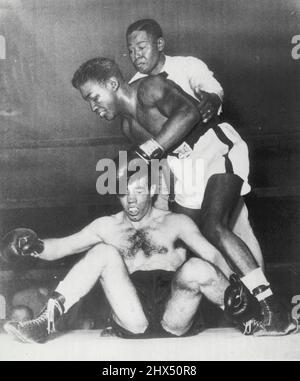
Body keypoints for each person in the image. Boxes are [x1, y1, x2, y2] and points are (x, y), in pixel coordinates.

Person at [2, 172, 259, 343]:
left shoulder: (176, 222)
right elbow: (62, 247)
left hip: (176, 311)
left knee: (197, 268)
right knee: (103, 252)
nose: (132, 200)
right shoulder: (106, 226)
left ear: (152, 190)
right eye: (125, 193)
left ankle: (255, 316)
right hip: (132, 315)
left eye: (139, 191)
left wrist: (238, 286)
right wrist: (34, 246)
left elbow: (212, 254)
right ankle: (43, 324)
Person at [126, 18, 263, 268]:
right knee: (187, 234)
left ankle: (261, 296)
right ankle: (222, 293)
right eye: (131, 50)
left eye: (142, 47)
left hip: (210, 155)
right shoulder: (134, 88)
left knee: (236, 224)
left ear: (159, 44)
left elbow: (211, 88)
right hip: (178, 167)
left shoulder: (187, 65)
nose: (137, 55)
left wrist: (210, 98)